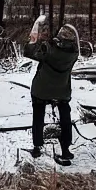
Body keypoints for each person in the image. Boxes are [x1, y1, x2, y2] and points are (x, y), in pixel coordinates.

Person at [24, 23, 79, 165]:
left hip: (41, 89)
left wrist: (35, 40)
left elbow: (30, 53)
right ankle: (66, 149)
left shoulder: (48, 49)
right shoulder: (73, 54)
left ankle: (37, 146)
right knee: (65, 118)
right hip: (62, 90)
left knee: (38, 116)